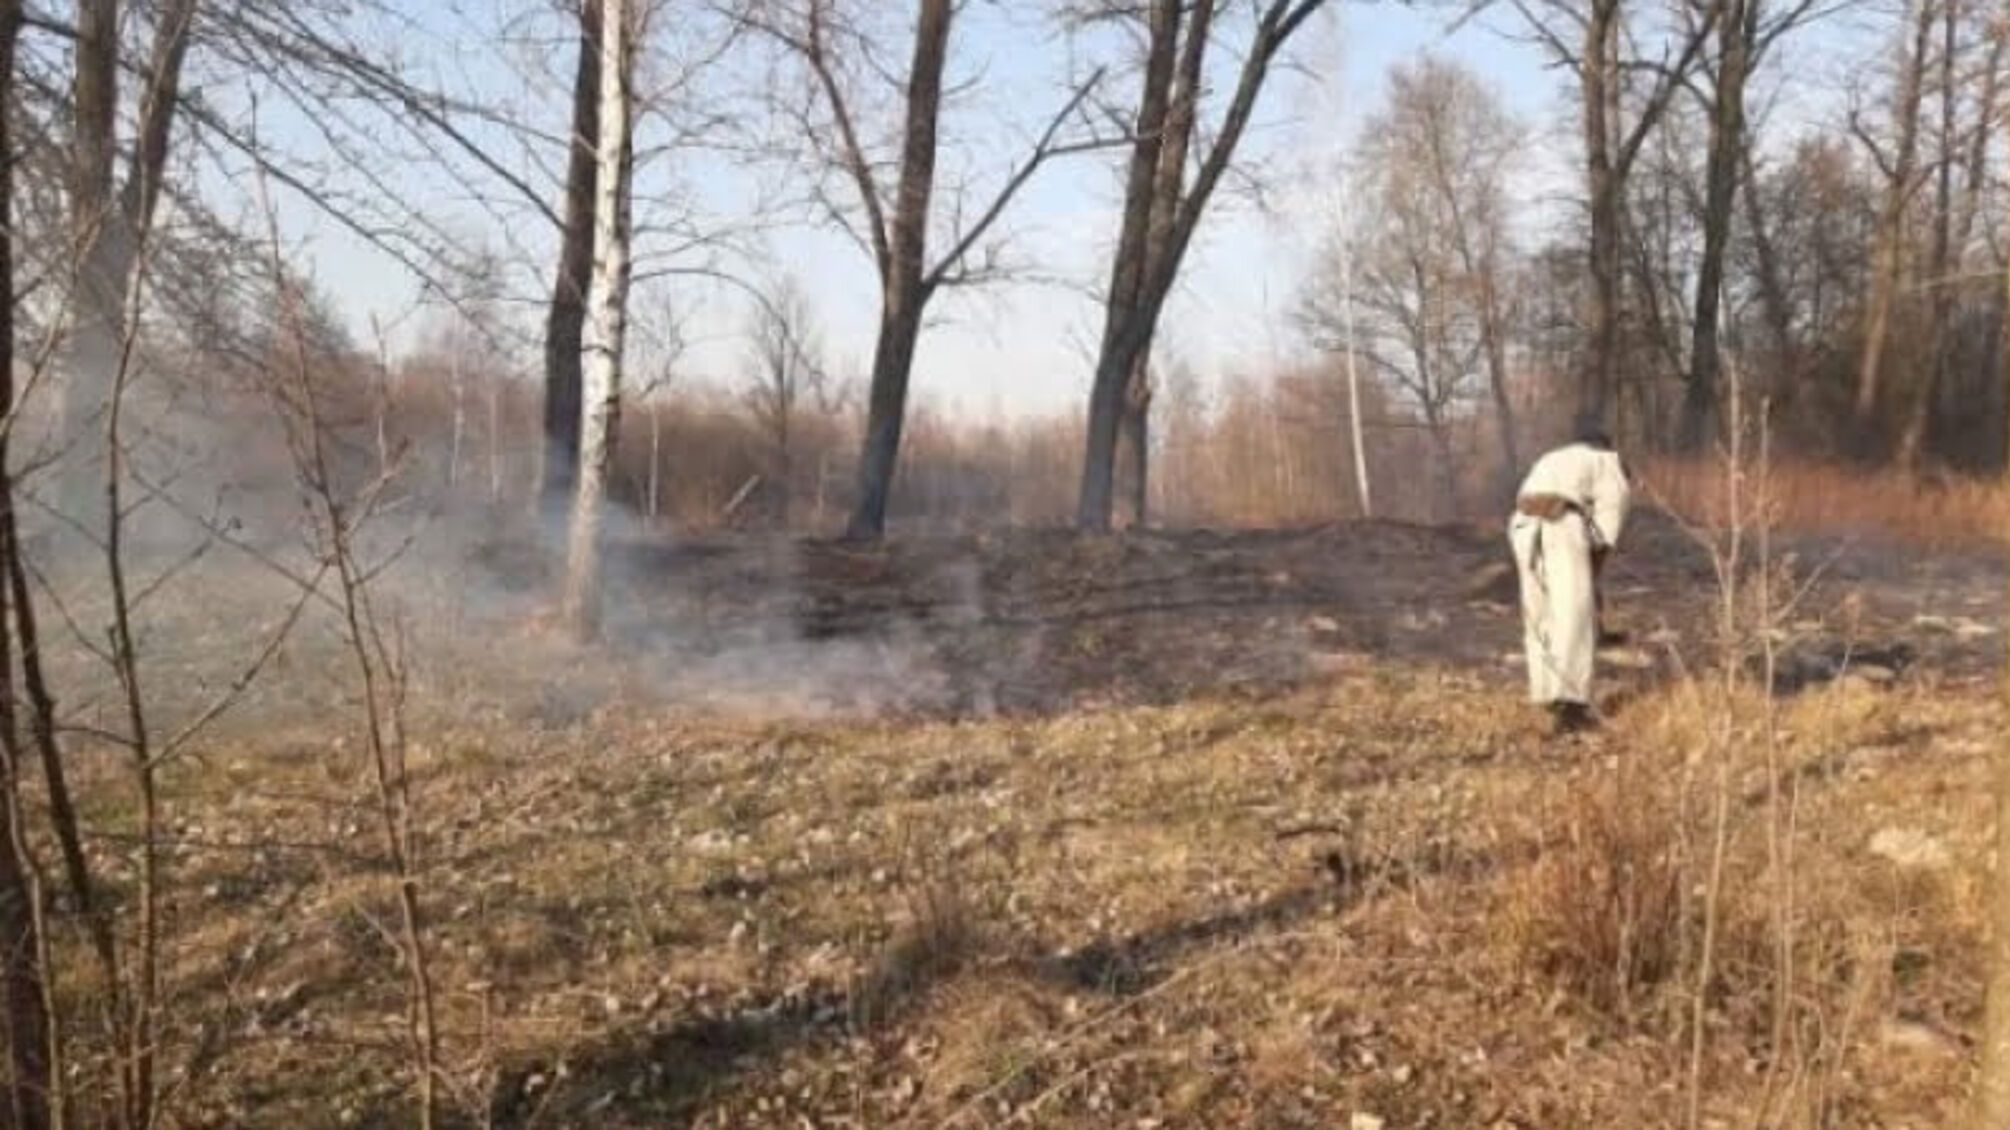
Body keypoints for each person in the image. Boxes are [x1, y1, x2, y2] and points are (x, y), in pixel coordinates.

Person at [1508, 416, 1632, 734]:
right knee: (1574, 615)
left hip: (1522, 524)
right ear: (1605, 446)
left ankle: (1546, 691)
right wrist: (1593, 577)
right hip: (1561, 522)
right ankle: (1572, 707)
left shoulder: (1553, 458)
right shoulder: (1607, 461)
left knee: (1540, 614)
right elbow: (1609, 522)